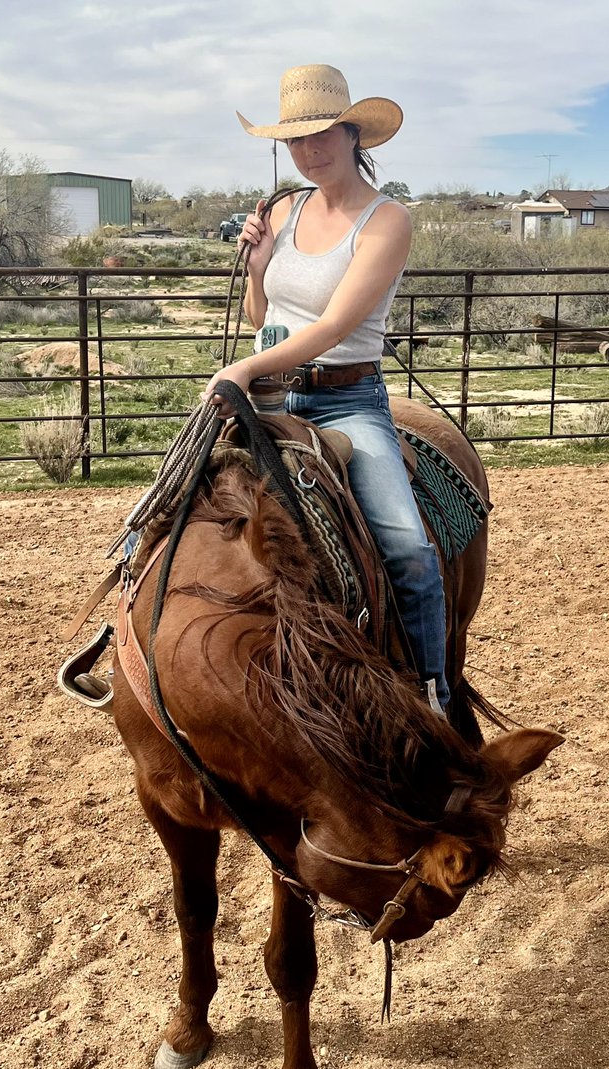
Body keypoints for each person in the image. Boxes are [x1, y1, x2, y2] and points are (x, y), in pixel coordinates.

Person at [202, 64, 448, 715]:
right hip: (265, 396)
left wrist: (243, 369)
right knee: (170, 508)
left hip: (346, 400)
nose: (308, 153)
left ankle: (431, 691)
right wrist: (256, 269)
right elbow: (263, 318)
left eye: (321, 137)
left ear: (351, 135)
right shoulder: (283, 209)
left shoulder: (386, 220)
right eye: (295, 142)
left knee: (408, 548)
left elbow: (338, 323)